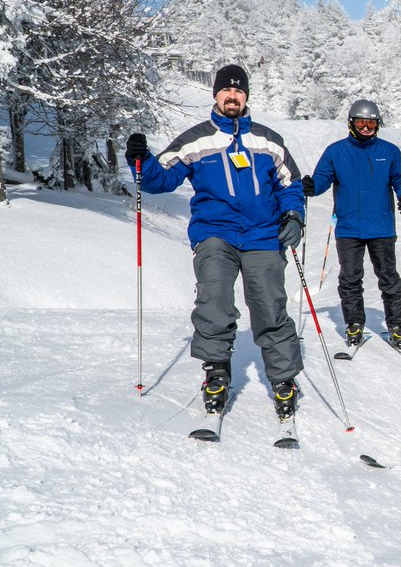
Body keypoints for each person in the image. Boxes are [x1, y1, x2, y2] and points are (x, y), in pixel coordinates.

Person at [124, 64, 305, 419]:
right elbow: (160, 179)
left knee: (270, 306)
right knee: (214, 301)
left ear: (246, 96)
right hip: (215, 232)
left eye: (239, 91)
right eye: (227, 91)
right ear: (216, 94)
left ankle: (283, 379)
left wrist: (294, 216)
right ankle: (216, 372)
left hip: (263, 234)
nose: (232, 96)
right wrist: (140, 159)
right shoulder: (196, 139)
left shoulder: (268, 140)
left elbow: (291, 184)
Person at [301, 99, 401, 350]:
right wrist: (312, 187)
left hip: (381, 227)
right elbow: (322, 180)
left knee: (389, 278)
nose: (366, 128)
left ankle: (397, 325)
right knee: (350, 279)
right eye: (362, 123)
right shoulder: (336, 151)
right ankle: (354, 324)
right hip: (349, 228)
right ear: (351, 123)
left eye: (372, 123)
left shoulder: (389, 151)